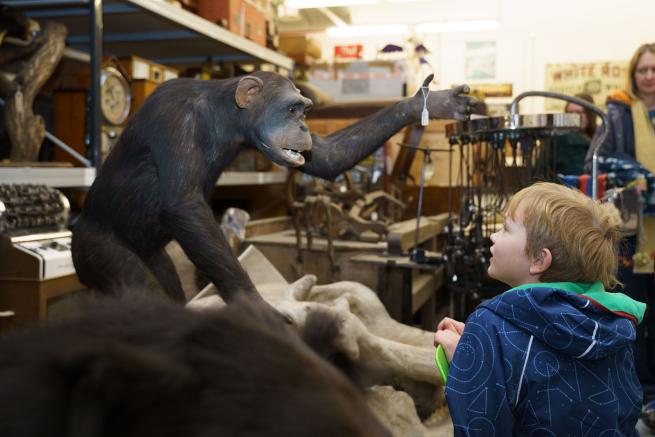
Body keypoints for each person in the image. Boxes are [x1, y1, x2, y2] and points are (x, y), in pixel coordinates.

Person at [434, 182, 646, 436]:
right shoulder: (612, 324)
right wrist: (480, 348)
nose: (493, 236)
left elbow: (479, 426)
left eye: (505, 229)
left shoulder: (489, 324)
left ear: (539, 260)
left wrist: (465, 360)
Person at [586, 42, 655, 396]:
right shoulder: (619, 110)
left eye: (654, 69)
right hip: (632, 228)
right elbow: (595, 158)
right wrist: (638, 173)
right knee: (633, 311)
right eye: (642, 70)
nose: (648, 76)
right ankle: (639, 388)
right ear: (633, 74)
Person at [552, 93, 597, 176]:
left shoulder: (599, 137)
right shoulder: (557, 140)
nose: (574, 117)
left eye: (579, 112)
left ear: (590, 115)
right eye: (570, 113)